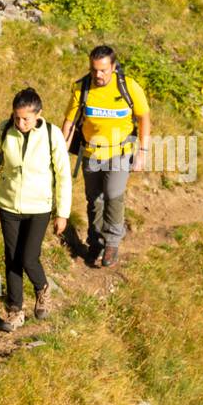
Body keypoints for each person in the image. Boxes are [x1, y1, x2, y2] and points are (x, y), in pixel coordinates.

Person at [0, 88, 72, 332]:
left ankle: (42, 288)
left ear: (38, 114)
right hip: (8, 205)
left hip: (39, 207)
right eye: (16, 117)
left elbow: (63, 175)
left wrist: (63, 213)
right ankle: (15, 309)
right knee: (12, 257)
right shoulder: (5, 129)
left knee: (28, 257)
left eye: (25, 118)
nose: (20, 123)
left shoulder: (52, 134)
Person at [62, 44, 151, 268]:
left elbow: (144, 118)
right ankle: (95, 241)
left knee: (113, 193)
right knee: (94, 199)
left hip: (120, 152)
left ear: (113, 67)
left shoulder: (128, 87)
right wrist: (60, 150)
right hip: (91, 152)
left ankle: (112, 240)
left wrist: (143, 152)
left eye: (103, 70)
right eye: (94, 70)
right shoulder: (82, 87)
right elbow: (70, 122)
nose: (98, 75)